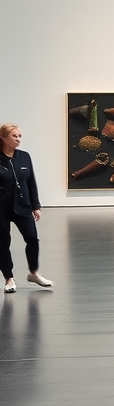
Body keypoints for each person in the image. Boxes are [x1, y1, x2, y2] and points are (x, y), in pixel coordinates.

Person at [0, 124, 53, 292]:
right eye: (15, 136)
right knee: (2, 243)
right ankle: (9, 279)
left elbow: (31, 182)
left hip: (23, 205)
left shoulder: (24, 157)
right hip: (1, 208)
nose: (18, 139)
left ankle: (33, 272)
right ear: (3, 137)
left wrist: (36, 205)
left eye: (19, 136)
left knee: (32, 238)